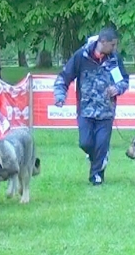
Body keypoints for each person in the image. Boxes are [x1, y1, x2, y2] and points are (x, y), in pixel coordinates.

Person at [53, 27, 130, 186]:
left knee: (101, 145)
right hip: (85, 111)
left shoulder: (114, 59)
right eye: (113, 45)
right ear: (102, 42)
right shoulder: (81, 56)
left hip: (106, 112)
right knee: (85, 143)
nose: (115, 48)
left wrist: (117, 88)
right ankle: (98, 157)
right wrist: (60, 96)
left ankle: (96, 176)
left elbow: (123, 81)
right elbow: (64, 77)